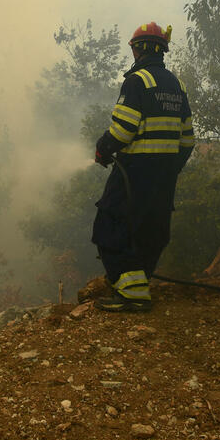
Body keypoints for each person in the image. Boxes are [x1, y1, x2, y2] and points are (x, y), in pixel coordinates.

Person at [90, 22, 195, 312]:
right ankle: (138, 284)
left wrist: (103, 148)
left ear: (138, 49)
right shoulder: (176, 84)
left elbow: (123, 129)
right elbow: (188, 138)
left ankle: (132, 293)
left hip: (133, 172)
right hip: (164, 175)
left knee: (111, 223)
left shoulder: (138, 81)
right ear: (162, 50)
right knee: (151, 228)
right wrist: (172, 167)